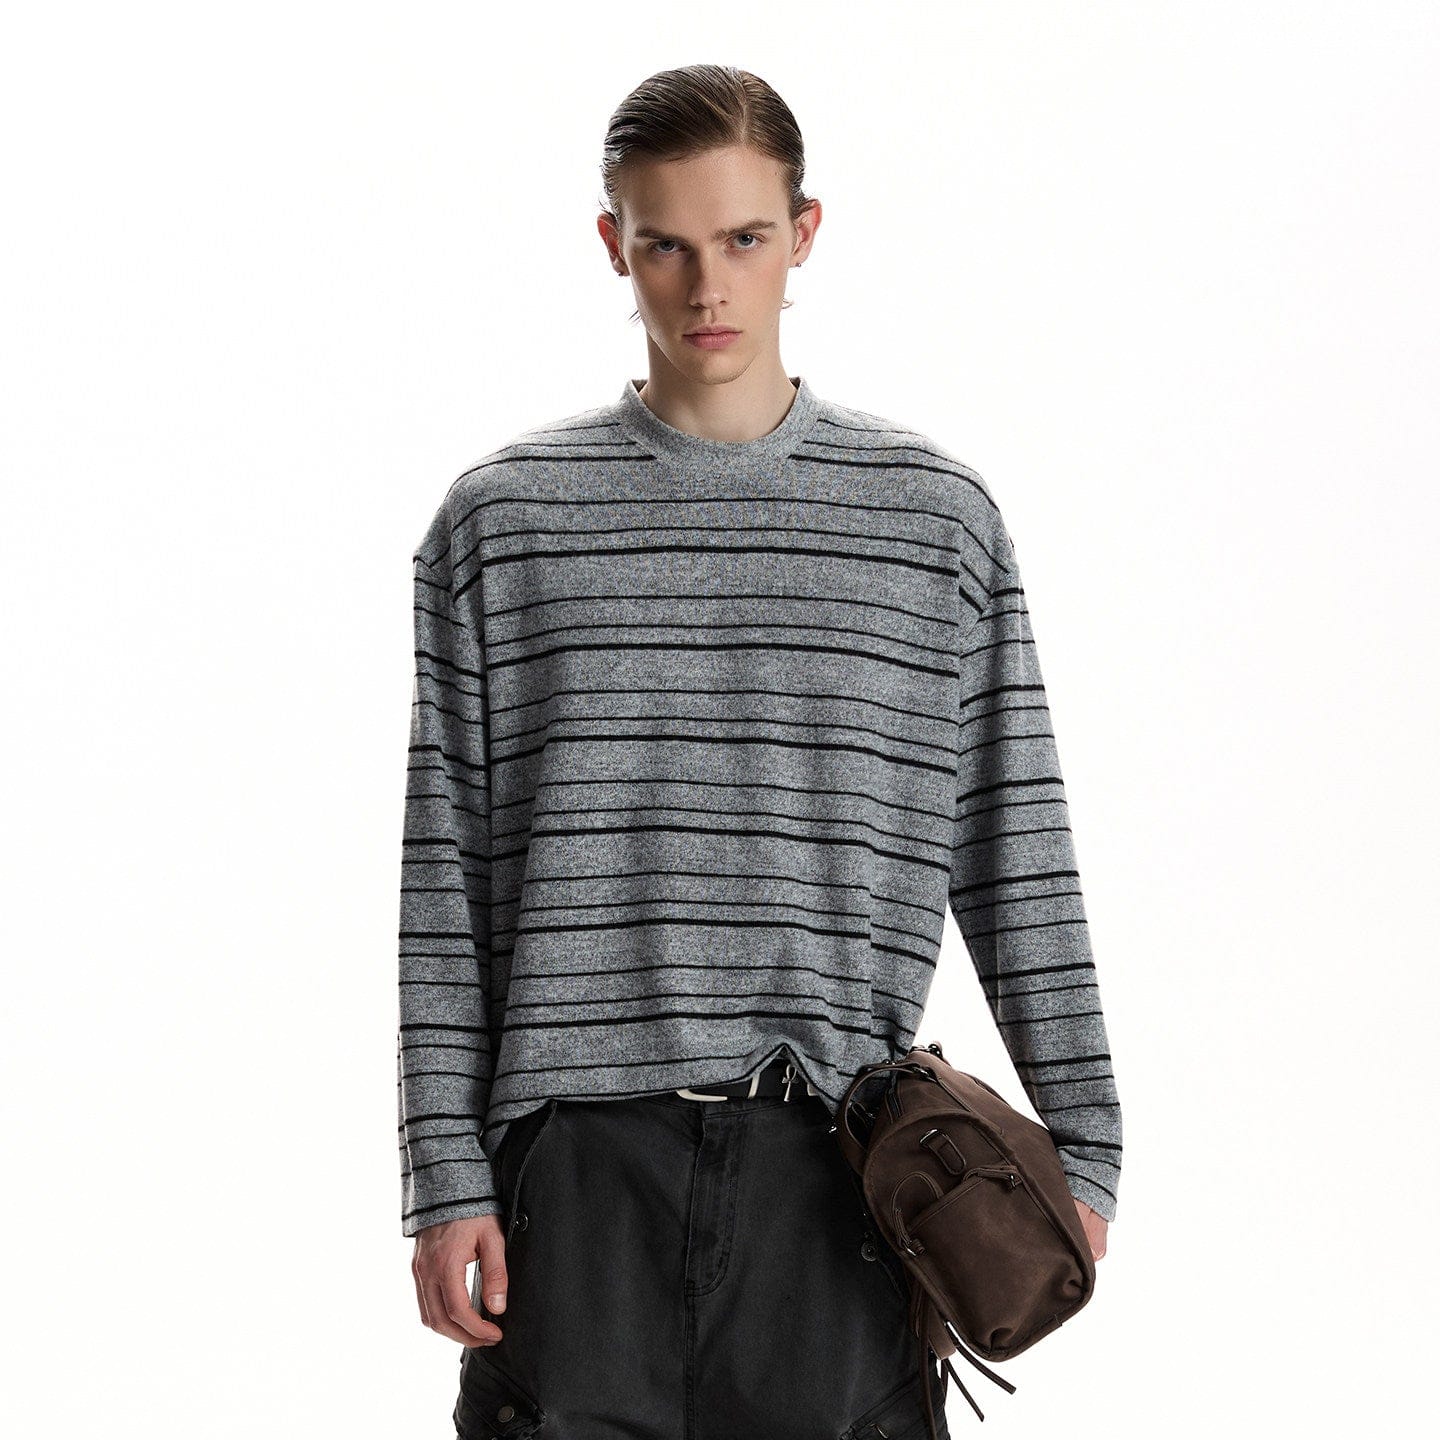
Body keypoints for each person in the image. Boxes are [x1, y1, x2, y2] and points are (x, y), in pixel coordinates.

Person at [397, 63, 1123, 1440]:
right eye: (664, 244)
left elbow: (1012, 844)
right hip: (574, 1184)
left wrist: (1083, 1140)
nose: (707, 287)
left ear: (804, 233)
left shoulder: (932, 523)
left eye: (742, 238)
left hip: (841, 1174)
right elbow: (449, 880)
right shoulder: (502, 524)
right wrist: (444, 1171)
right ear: (612, 244)